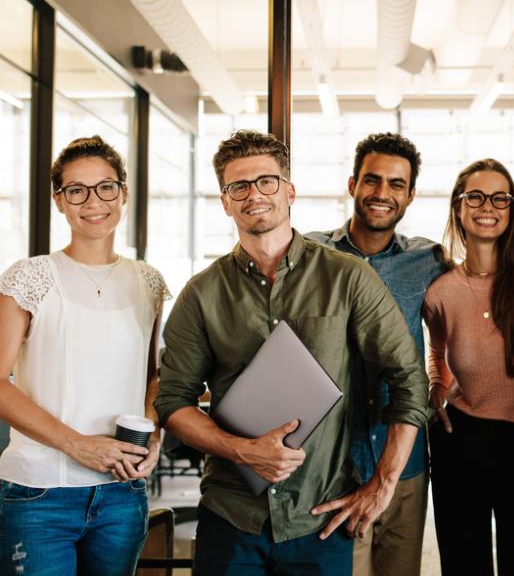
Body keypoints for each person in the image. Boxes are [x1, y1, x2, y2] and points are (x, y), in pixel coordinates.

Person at [153, 129, 429, 576]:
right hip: (232, 517)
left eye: (266, 181)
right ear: (225, 201)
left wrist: (383, 483)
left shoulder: (348, 277)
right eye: (238, 186)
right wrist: (242, 450)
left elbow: (410, 380)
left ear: (289, 191)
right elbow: (173, 402)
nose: (253, 195)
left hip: (320, 520)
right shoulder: (200, 294)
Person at [0, 136, 167, 576]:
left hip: (120, 495)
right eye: (76, 190)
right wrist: (79, 446)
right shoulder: (30, 276)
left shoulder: (148, 281)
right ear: (60, 201)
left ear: (124, 193)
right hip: (40, 493)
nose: (93, 201)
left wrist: (154, 436)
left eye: (106, 187)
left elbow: (152, 377)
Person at [307, 132, 447, 576]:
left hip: (401, 460)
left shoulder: (429, 260)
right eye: (372, 180)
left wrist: (444, 381)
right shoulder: (310, 254)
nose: (382, 193)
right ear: (352, 185)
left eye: (396, 184)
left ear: (410, 196)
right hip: (333, 461)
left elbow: (471, 313)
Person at [422, 158, 514, 576]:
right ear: (459, 207)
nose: (488, 206)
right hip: (460, 438)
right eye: (476, 196)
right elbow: (438, 350)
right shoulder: (441, 291)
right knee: (464, 562)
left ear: (512, 208)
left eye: (500, 197)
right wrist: (436, 385)